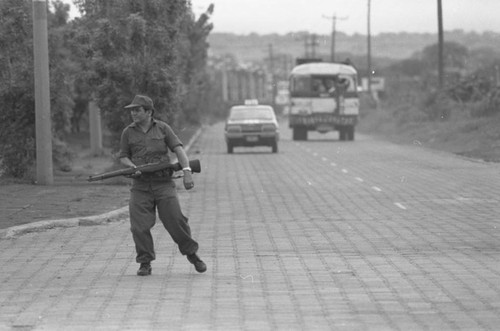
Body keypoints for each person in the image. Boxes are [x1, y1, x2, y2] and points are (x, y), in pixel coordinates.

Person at [118, 94, 206, 276]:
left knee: (176, 221)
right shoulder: (128, 132)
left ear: (149, 112)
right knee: (139, 226)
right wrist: (132, 167)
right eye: (132, 110)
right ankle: (145, 262)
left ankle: (192, 254)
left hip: (163, 184)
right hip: (140, 186)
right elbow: (123, 156)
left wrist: (187, 172)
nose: (133, 113)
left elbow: (179, 150)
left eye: (137, 110)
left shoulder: (163, 129)